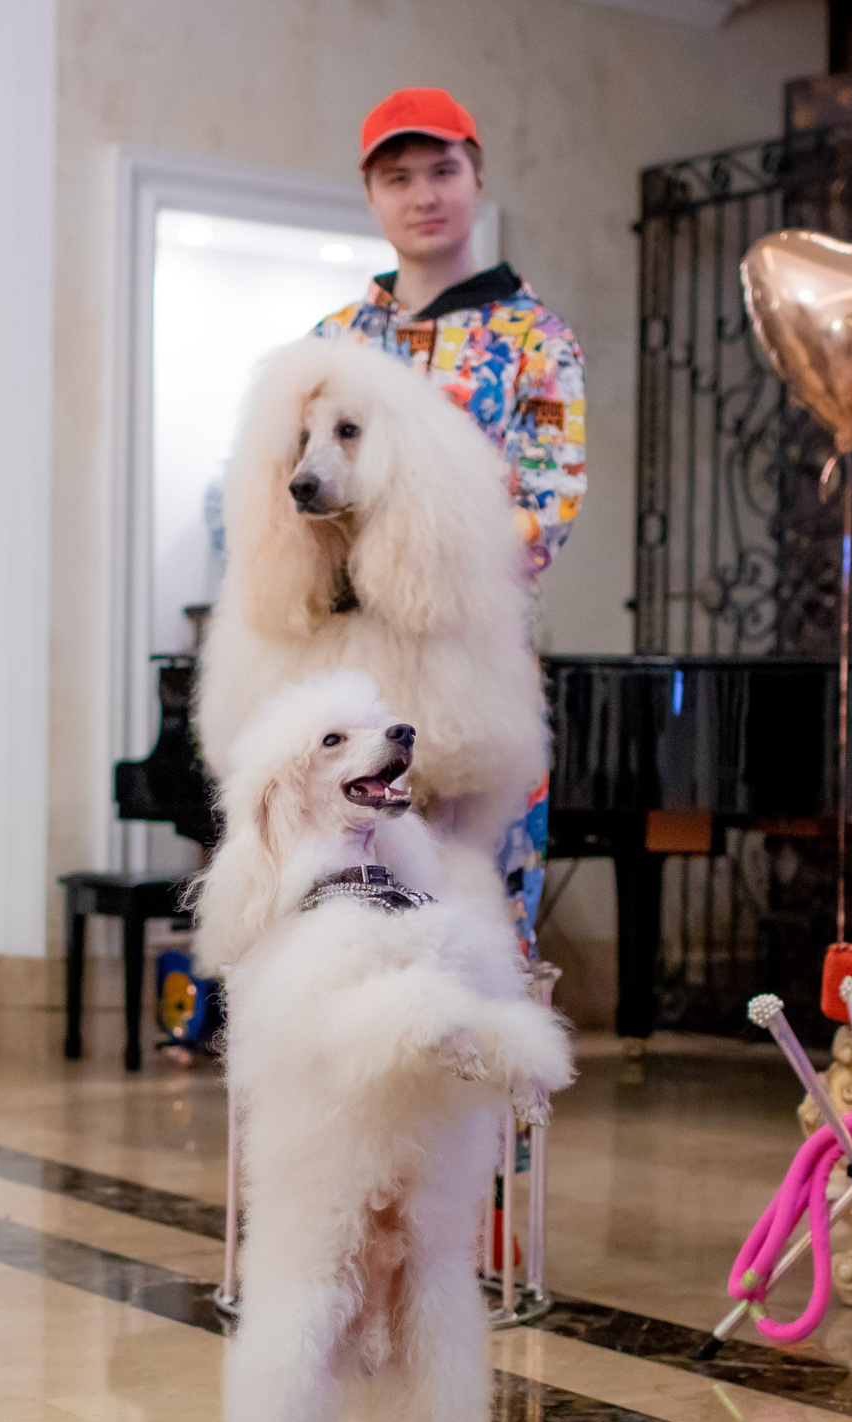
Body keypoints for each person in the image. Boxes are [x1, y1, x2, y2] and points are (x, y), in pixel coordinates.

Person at [313, 87, 586, 956]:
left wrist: (421, 571)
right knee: (348, 915)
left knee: (479, 919)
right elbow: (298, 491)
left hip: (476, 676)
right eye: (399, 177)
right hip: (350, 676)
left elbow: (547, 508)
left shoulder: (538, 339)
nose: (423, 194)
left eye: (443, 170)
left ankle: (493, 1089)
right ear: (371, 196)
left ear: (476, 177)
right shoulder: (333, 341)